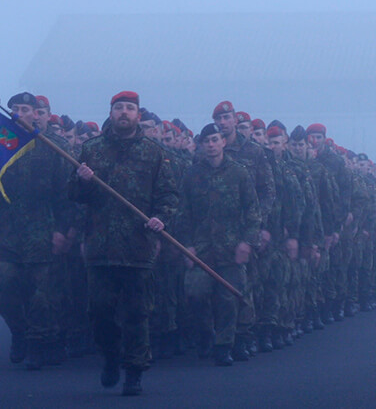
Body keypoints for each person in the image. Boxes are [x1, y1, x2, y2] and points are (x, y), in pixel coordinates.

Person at [70, 91, 179, 396]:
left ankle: (134, 371)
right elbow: (74, 195)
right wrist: (82, 180)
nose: (124, 113)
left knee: (137, 313)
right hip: (100, 248)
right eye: (119, 108)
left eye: (130, 108)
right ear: (111, 112)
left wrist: (161, 218)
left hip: (137, 246)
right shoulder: (91, 150)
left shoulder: (154, 152)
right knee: (99, 311)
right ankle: (110, 356)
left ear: (138, 114)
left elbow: (169, 194)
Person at [0, 91, 73, 369]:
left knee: (43, 295)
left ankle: (39, 345)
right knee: (6, 288)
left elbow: (67, 196)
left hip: (43, 233)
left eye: (25, 109)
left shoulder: (55, 147)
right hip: (7, 235)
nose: (19, 113)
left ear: (37, 113)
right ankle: (19, 332)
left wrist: (63, 230)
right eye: (14, 108)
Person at [181, 123, 260, 366]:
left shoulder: (239, 173)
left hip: (231, 247)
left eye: (215, 139)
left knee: (229, 297)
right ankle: (206, 332)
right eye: (207, 141)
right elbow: (183, 213)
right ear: (201, 145)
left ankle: (225, 345)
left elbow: (252, 211)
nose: (212, 145)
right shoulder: (191, 175)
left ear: (223, 142)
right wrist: (187, 245)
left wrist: (247, 242)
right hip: (202, 248)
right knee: (195, 293)